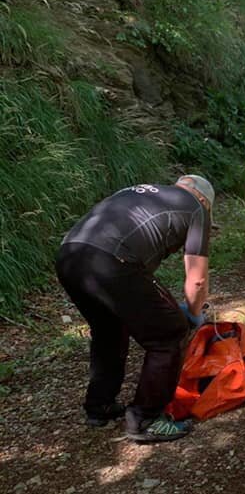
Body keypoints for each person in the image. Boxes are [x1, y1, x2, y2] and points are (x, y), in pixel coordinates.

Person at [55, 175, 214, 443]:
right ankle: (145, 419)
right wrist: (193, 314)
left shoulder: (142, 193)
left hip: (69, 255)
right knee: (169, 333)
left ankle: (99, 406)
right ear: (204, 200)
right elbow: (197, 279)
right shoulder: (196, 208)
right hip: (111, 259)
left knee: (110, 329)